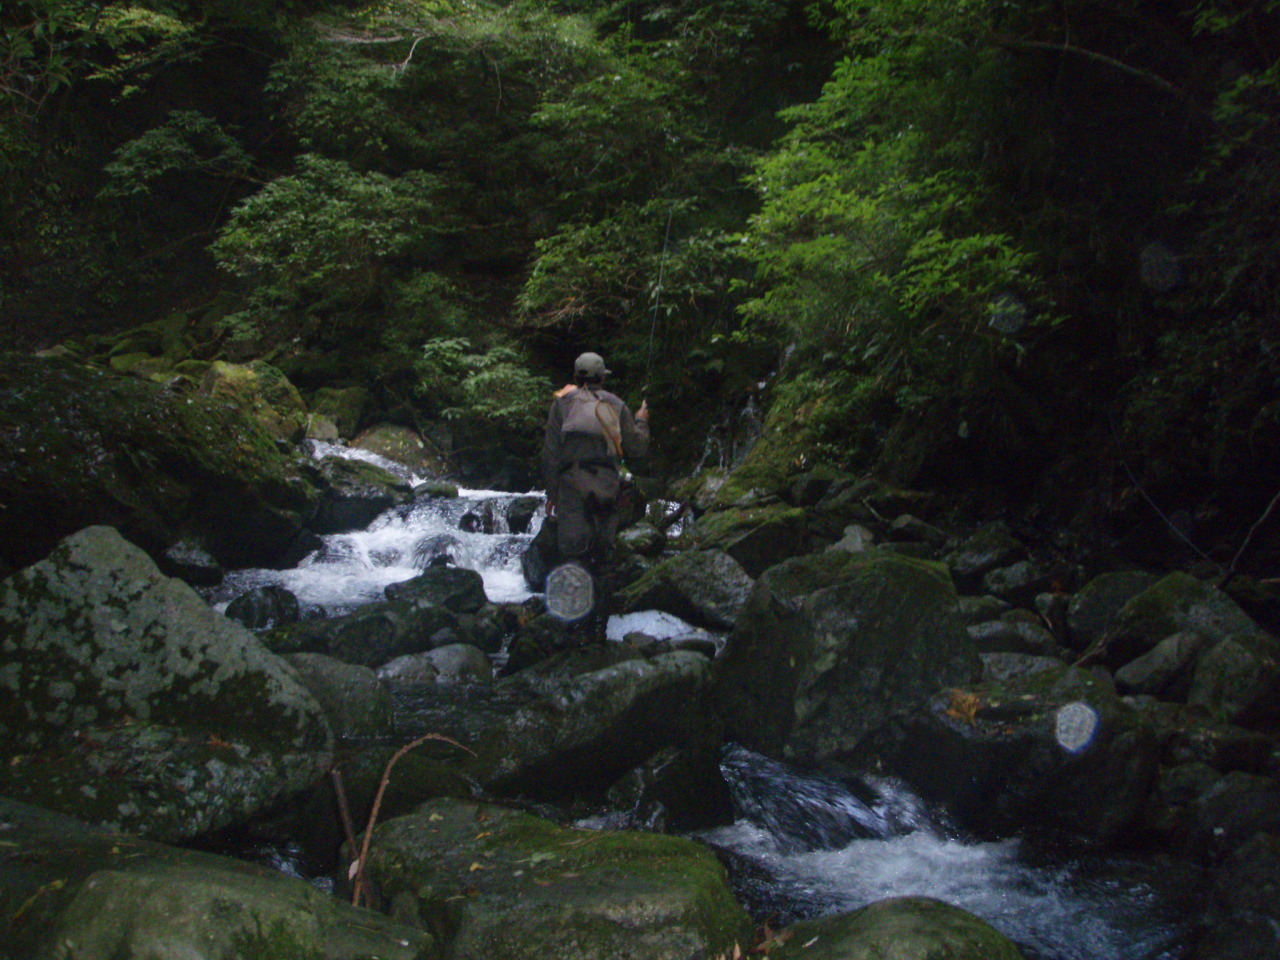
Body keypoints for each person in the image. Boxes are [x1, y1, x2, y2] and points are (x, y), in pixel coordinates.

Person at [541, 351, 650, 642]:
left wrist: (552, 494)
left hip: (572, 489)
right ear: (602, 378)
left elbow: (551, 453)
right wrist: (641, 420)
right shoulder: (617, 405)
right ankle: (599, 628)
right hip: (606, 489)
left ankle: (576, 628)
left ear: (576, 377)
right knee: (603, 559)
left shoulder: (561, 405)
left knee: (574, 558)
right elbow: (637, 448)